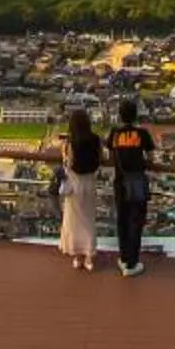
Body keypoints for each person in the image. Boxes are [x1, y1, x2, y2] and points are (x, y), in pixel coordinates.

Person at [107, 95, 156, 277]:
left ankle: (124, 257)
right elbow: (151, 158)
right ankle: (132, 263)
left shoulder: (114, 133)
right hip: (137, 183)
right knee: (136, 222)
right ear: (135, 116)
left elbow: (111, 155)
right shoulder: (142, 134)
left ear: (120, 116)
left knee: (122, 221)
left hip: (120, 182)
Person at [56, 107, 102, 271]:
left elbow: (68, 164)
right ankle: (89, 256)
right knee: (89, 220)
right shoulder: (96, 140)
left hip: (74, 186)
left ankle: (77, 256)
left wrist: (63, 150)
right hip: (90, 183)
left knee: (73, 221)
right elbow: (100, 160)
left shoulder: (70, 143)